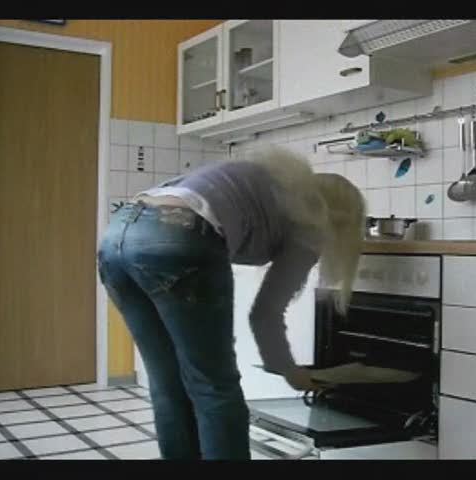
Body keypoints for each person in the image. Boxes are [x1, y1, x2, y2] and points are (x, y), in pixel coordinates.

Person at [97, 147, 365, 460]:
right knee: (214, 387)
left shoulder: (273, 182)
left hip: (117, 234)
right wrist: (291, 372)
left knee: (167, 383)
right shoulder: (311, 221)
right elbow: (265, 314)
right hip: (178, 232)